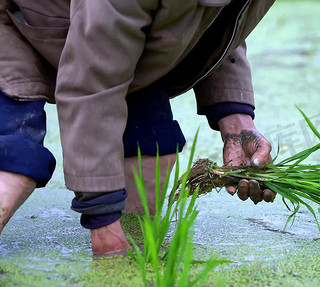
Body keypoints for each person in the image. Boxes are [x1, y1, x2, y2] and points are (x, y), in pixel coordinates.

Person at [0, 0, 276, 255]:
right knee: (15, 166)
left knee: (152, 153)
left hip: (123, 40)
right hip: (21, 21)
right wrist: (103, 219)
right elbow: (92, 82)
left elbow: (220, 20)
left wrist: (236, 120)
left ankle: (133, 268)